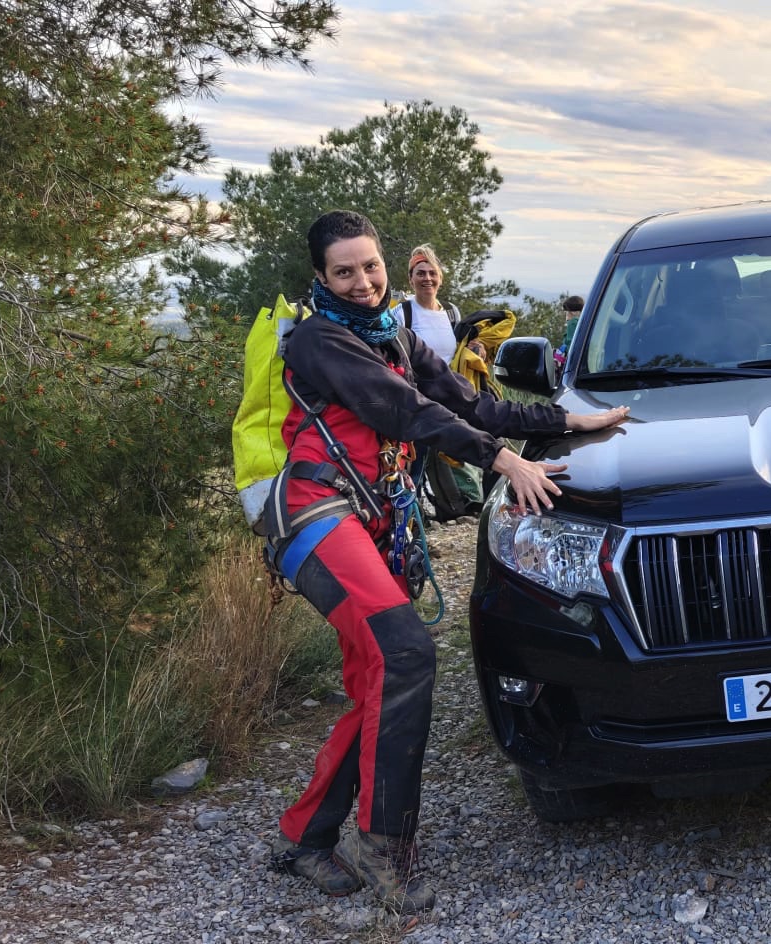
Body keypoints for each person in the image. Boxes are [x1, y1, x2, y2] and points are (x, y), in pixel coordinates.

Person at [264, 211, 627, 914]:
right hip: (314, 514)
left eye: (371, 265)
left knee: (379, 675)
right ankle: (383, 846)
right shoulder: (318, 340)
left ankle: (305, 836)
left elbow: (469, 402)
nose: (363, 282)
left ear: (385, 262)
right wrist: (502, 461)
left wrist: (564, 420)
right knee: (405, 655)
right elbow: (404, 410)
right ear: (321, 278)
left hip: (365, 519)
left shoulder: (394, 333)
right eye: (344, 271)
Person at [402, 245, 483, 516]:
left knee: (448, 455)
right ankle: (410, 519)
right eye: (420, 273)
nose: (427, 278)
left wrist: (475, 348)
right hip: (415, 399)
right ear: (411, 279)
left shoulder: (451, 313)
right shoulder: (403, 313)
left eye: (432, 273)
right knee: (414, 462)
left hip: (448, 397)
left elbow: (457, 350)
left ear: (440, 278)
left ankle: (452, 505)